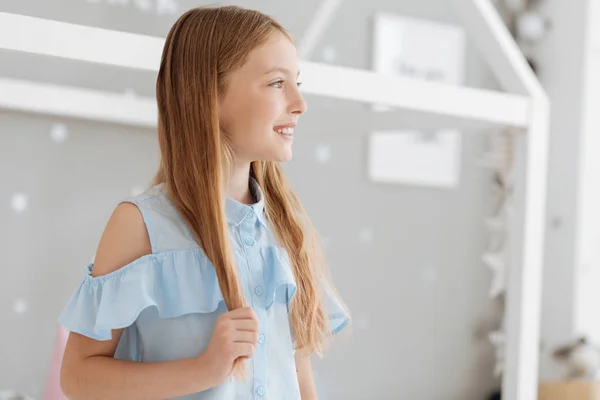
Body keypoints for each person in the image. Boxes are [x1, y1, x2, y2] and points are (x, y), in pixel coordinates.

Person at [58, 5, 350, 400]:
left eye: (296, 82)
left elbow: (297, 373)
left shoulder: (285, 228)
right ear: (208, 95)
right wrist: (203, 371)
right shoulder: (140, 226)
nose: (299, 103)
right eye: (277, 83)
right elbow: (78, 377)